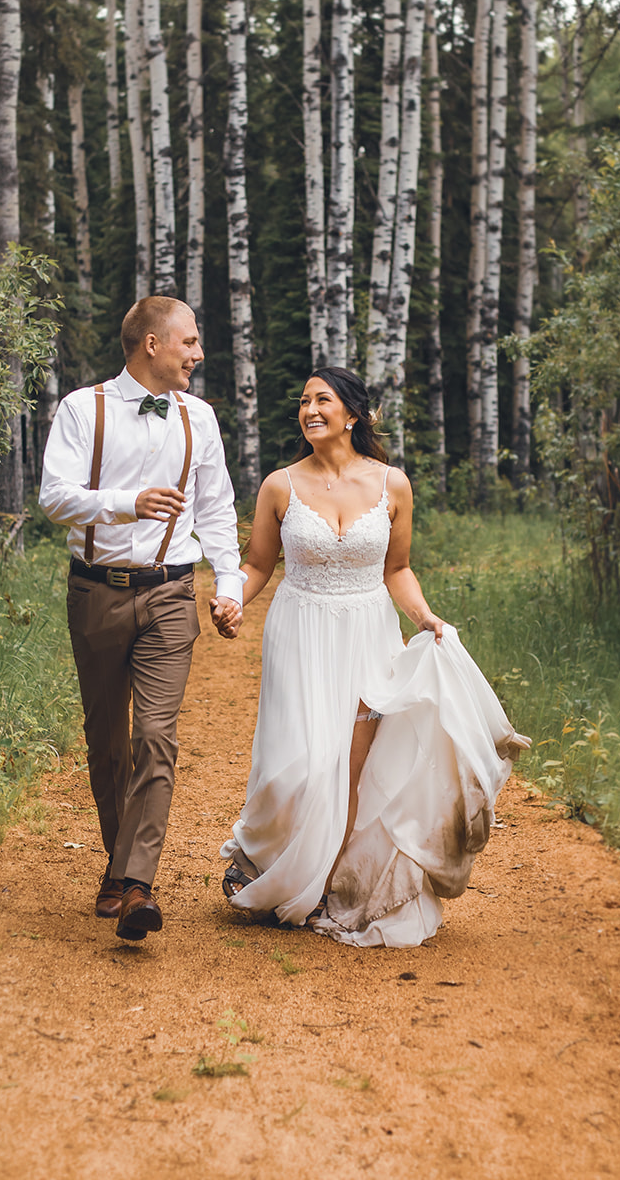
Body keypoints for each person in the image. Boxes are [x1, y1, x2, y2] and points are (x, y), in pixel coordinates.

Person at [220, 366, 529, 948]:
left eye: (323, 400)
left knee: (355, 769)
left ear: (353, 414)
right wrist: (231, 598)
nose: (310, 410)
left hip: (367, 632)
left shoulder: (392, 485)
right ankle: (273, 863)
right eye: (304, 401)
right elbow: (259, 563)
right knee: (303, 764)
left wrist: (426, 619)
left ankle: (330, 887)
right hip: (299, 630)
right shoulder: (279, 485)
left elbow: (397, 569)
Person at [40, 297, 243, 942]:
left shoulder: (200, 417)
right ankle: (117, 861)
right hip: (95, 592)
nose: (198, 353)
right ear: (151, 344)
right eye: (188, 341)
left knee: (155, 736)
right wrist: (128, 503)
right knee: (106, 739)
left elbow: (215, 508)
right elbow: (54, 497)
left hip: (169, 593)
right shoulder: (82, 408)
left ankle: (136, 886)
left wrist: (229, 584)